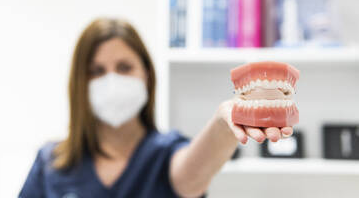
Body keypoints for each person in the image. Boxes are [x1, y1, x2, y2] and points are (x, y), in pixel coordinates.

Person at [19, 18, 293, 198]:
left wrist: (224, 123)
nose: (111, 80)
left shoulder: (165, 153)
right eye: (96, 71)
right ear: (79, 82)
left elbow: (191, 175)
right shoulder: (50, 163)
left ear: (147, 76)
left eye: (124, 68)